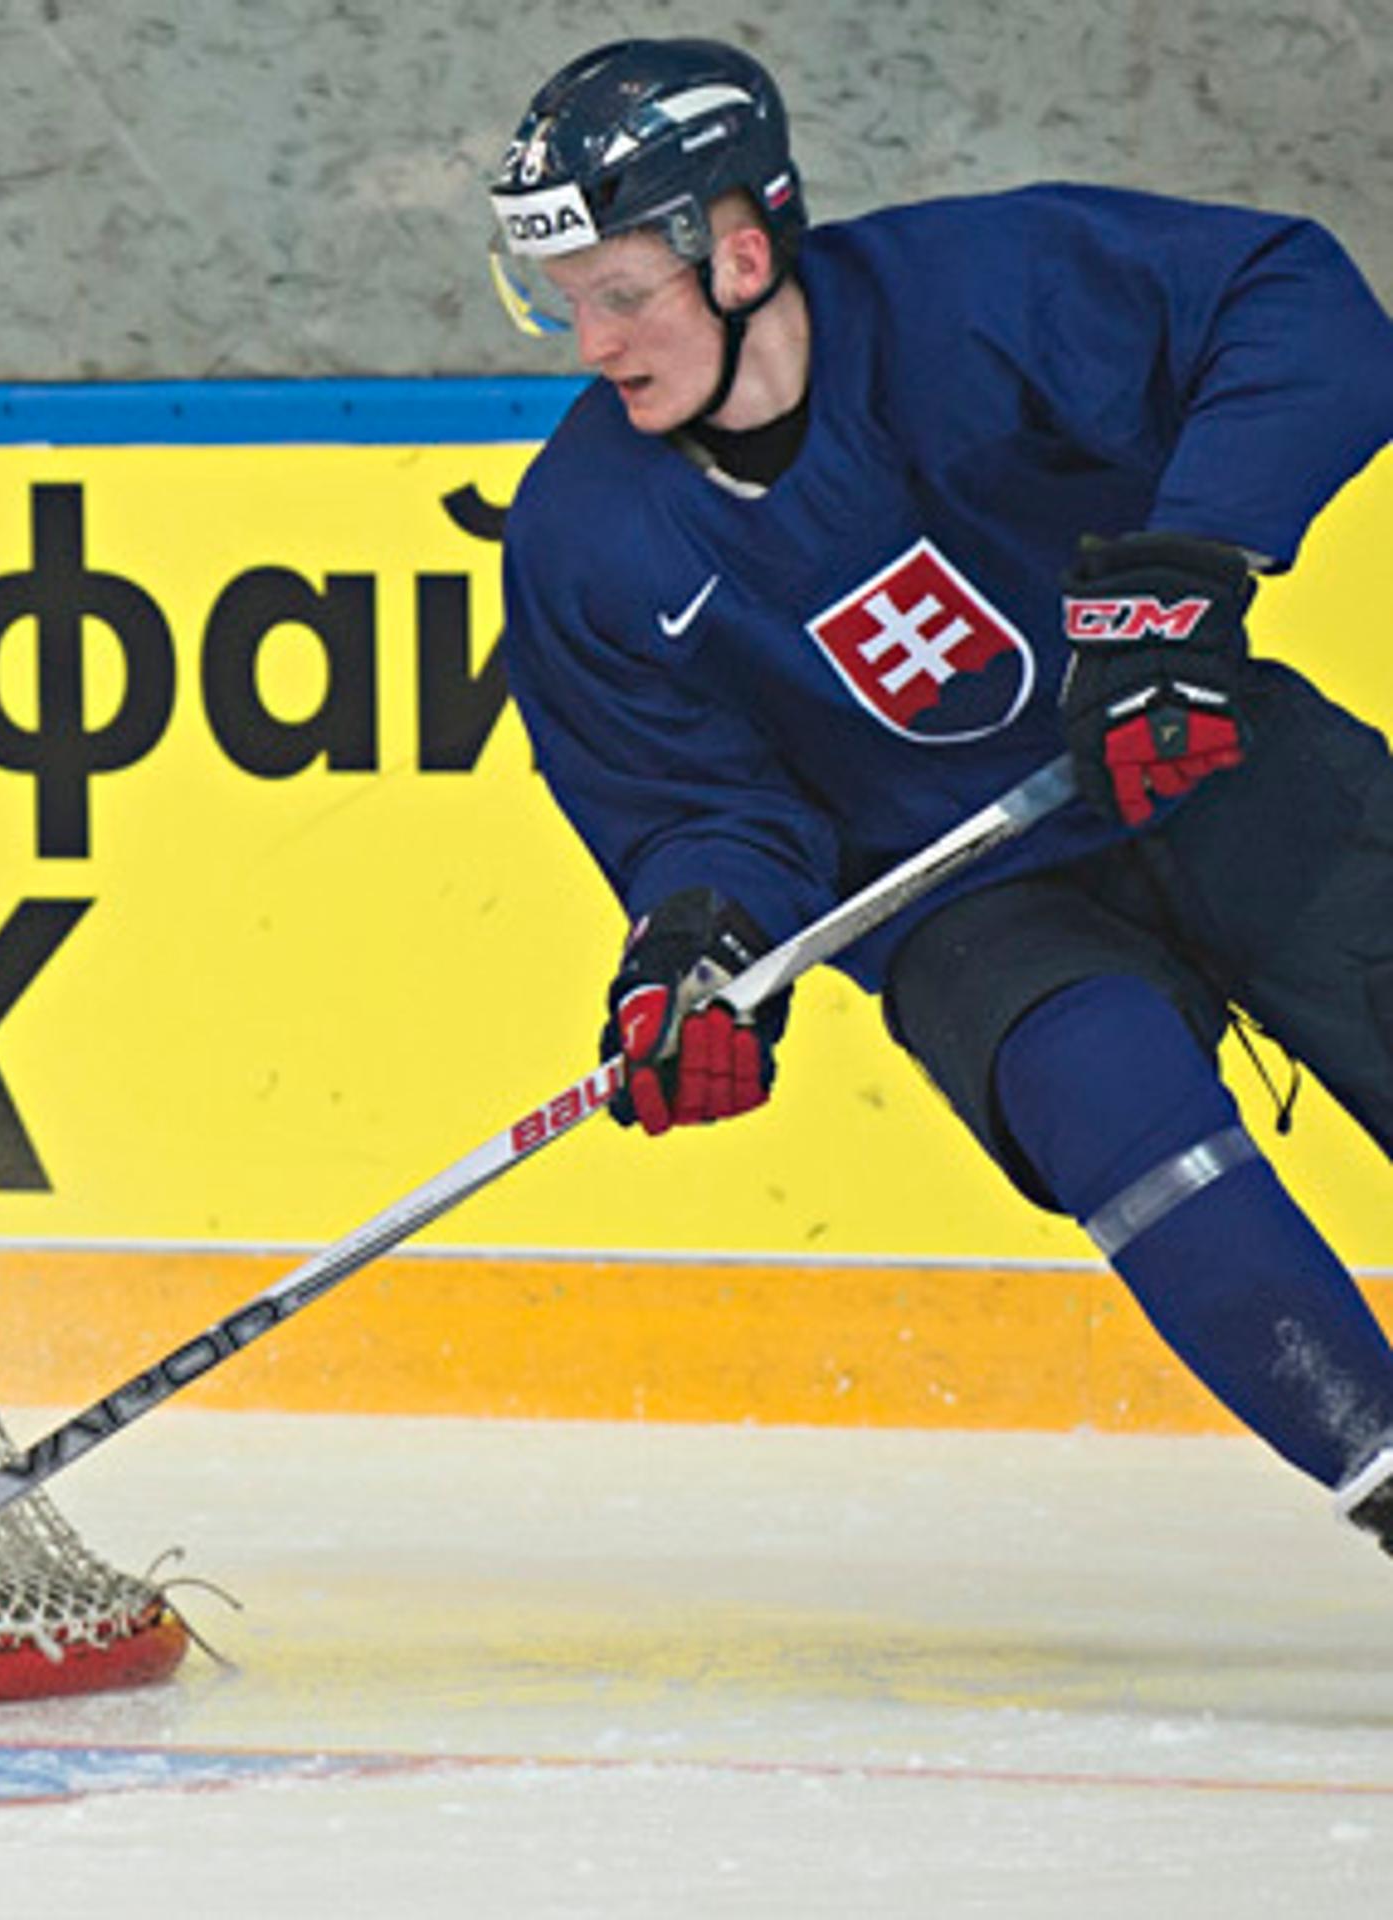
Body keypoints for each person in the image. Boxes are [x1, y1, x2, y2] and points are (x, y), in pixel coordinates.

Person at [485, 42, 1393, 1553]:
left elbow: (1301, 310)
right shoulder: (585, 536)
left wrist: (1184, 570)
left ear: (743, 251)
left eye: (620, 292)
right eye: (562, 300)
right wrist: (699, 943)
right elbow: (695, 806)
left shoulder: (976, 292)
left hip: (1204, 763)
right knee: (1105, 1095)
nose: (590, 342)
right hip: (970, 904)